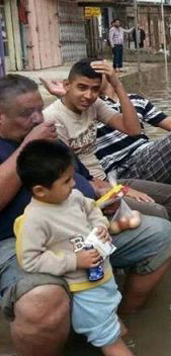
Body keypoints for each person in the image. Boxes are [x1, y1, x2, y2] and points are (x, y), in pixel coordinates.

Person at [0, 74, 171, 355]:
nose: (37, 118)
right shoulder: (29, 141)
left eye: (39, 109)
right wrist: (28, 146)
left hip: (85, 227)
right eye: (26, 114)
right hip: (19, 241)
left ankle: (111, 316)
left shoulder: (51, 139)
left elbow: (84, 180)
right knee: (41, 301)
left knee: (162, 235)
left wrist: (104, 197)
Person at [15, 140, 132, 356]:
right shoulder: (34, 220)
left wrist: (101, 226)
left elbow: (93, 210)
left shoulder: (74, 197)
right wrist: (74, 261)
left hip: (103, 278)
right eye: (67, 181)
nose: (74, 184)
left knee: (116, 327)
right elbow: (30, 260)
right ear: (40, 190)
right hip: (84, 288)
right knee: (113, 344)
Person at [44, 59, 171, 220]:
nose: (88, 96)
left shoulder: (93, 105)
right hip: (88, 189)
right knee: (158, 211)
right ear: (67, 85)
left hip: (107, 179)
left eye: (94, 89)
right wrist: (119, 190)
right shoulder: (53, 119)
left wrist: (117, 85)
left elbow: (133, 129)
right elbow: (72, 173)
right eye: (82, 88)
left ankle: (139, 231)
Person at [41, 77, 171, 193]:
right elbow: (70, 110)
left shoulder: (136, 100)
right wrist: (64, 93)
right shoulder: (91, 106)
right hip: (123, 166)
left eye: (101, 69)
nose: (96, 73)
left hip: (152, 155)